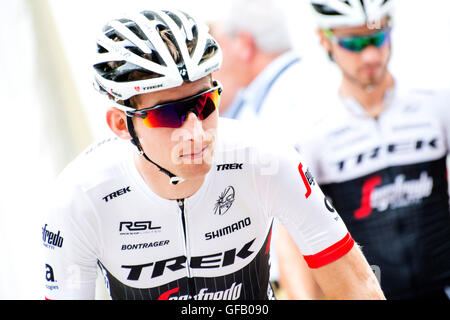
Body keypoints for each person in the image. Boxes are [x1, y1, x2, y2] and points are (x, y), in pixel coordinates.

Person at [42, 8, 385, 300]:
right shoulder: (79, 197)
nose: (195, 132)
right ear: (121, 124)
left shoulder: (264, 158)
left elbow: (359, 287)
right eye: (169, 114)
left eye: (205, 104)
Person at [278, 0, 450, 300]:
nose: (370, 54)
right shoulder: (311, 131)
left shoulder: (436, 104)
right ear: (324, 40)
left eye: (377, 37)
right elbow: (291, 234)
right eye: (354, 43)